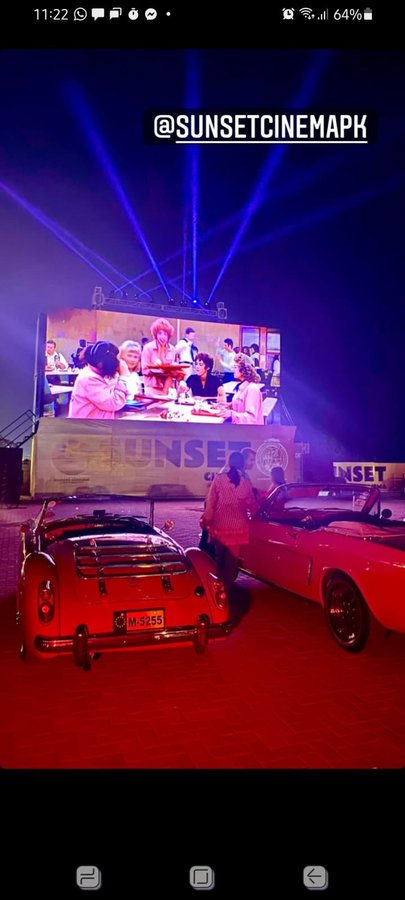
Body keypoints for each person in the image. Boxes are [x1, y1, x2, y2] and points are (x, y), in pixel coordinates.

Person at [201, 451, 259, 588]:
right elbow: (251, 504)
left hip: (220, 526)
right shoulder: (245, 482)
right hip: (239, 528)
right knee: (232, 561)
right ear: (242, 464)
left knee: (218, 558)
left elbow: (211, 502)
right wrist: (259, 513)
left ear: (229, 462)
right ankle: (227, 588)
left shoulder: (219, 479)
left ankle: (216, 587)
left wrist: (207, 520)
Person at [68, 341, 130, 419]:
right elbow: (114, 403)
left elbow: (114, 389)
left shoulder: (97, 372)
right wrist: (124, 377)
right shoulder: (89, 379)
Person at [218, 353, 263, 425]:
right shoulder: (242, 386)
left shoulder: (252, 389)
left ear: (243, 370)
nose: (233, 370)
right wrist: (229, 405)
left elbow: (251, 418)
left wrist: (231, 414)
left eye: (235, 367)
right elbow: (242, 405)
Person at [141, 317, 177, 396]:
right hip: (152, 387)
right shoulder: (148, 348)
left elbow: (172, 367)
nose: (162, 337)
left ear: (169, 336)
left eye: (165, 334)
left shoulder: (172, 349)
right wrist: (158, 371)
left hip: (168, 387)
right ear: (155, 335)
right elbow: (144, 370)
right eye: (160, 333)